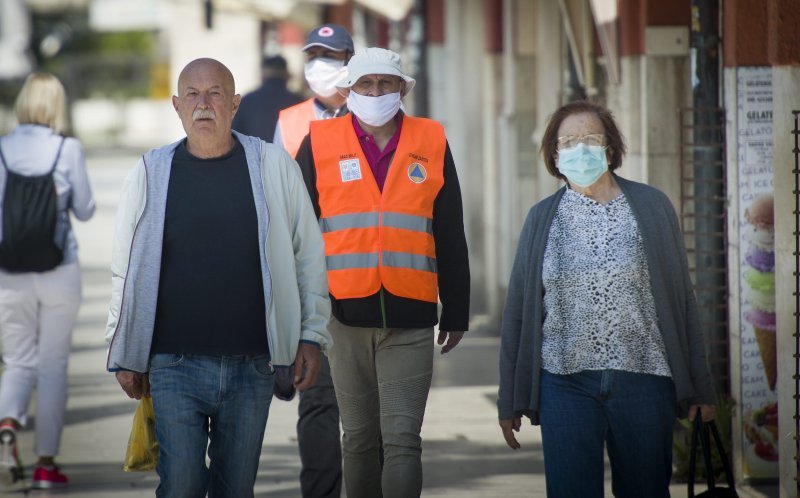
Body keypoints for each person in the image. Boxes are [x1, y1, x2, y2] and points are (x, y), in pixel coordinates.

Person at [104, 58, 331, 498]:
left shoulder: (273, 166)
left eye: (214, 94)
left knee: (236, 488)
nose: (203, 104)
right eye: (192, 94)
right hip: (173, 364)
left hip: (253, 365)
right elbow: (124, 267)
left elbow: (309, 255)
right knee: (182, 484)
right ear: (176, 105)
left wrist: (312, 335)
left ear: (235, 104)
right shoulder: (151, 172)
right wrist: (123, 347)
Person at [497, 100, 717, 498]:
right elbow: (518, 313)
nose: (580, 149)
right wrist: (509, 399)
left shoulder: (651, 207)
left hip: (645, 379)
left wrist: (701, 389)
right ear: (555, 154)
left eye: (591, 139)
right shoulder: (541, 218)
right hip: (564, 383)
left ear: (610, 149)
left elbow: (682, 300)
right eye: (569, 141)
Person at [294, 47, 470, 498]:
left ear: (401, 89)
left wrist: (457, 310)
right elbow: (298, 235)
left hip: (410, 315)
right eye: (366, 85)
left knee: (402, 441)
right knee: (357, 440)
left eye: (385, 84)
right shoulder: (319, 143)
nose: (375, 93)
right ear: (349, 91)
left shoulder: (430, 140)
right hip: (343, 316)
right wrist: (301, 319)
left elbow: (449, 228)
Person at [0, 72, 96, 489]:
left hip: (9, 271)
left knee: (18, 360)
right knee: (53, 366)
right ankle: (45, 464)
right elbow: (88, 209)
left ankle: (7, 422)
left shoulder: (1, 148)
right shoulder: (68, 148)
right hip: (59, 268)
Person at [274, 22, 354, 498]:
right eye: (315, 55)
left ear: (351, 60)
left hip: (371, 279)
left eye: (332, 55)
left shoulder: (382, 113)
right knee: (318, 400)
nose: (321, 65)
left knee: (372, 407)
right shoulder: (289, 121)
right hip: (314, 281)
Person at [274, 23, 354, 158]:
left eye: (329, 55)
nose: (318, 63)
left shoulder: (369, 113)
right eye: (312, 55)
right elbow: (278, 175)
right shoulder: (288, 121)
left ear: (349, 60)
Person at [231, 54, 304, 142]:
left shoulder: (246, 101)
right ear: (286, 73)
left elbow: (234, 135)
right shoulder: (298, 101)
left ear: (263, 74)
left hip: (255, 154)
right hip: (290, 154)